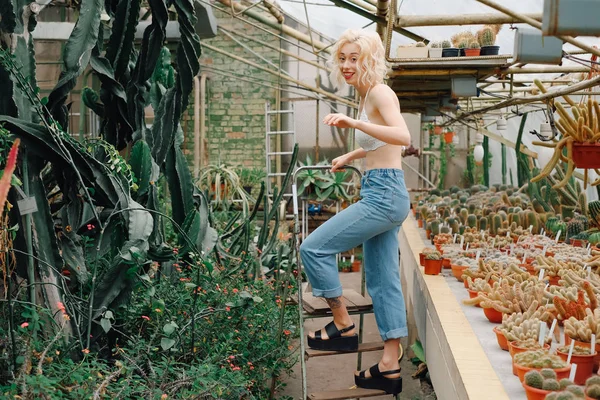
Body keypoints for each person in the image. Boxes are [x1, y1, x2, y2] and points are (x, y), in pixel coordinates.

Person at [299, 28, 411, 395]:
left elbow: (403, 136)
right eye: (343, 58)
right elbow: (381, 142)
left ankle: (342, 325)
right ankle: (390, 365)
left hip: (383, 195)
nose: (347, 65)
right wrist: (353, 154)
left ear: (370, 59)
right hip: (384, 189)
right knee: (382, 280)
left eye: (354, 58)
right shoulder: (367, 95)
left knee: (313, 247)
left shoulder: (379, 91)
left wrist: (354, 124)